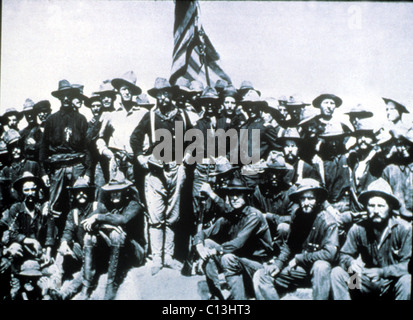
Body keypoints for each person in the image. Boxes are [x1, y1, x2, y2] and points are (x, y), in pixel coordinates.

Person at [253, 178, 339, 300]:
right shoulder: (297, 215)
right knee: (261, 274)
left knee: (321, 266)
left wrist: (300, 258)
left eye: (310, 198)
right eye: (303, 199)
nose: (306, 202)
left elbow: (329, 254)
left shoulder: (327, 221)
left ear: (318, 199)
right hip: (300, 269)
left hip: (321, 273)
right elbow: (289, 244)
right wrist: (278, 264)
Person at [331, 178, 411, 300]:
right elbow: (344, 255)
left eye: (381, 206)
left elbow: (408, 265)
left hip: (392, 284)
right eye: (371, 206)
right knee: (338, 273)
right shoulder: (359, 228)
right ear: (366, 207)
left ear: (389, 207)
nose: (376, 210)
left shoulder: (403, 229)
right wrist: (351, 263)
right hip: (366, 283)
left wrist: (382, 272)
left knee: (407, 281)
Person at [195, 177, 273, 300]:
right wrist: (199, 244)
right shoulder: (232, 215)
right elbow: (204, 233)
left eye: (238, 194)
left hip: (258, 265)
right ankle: (216, 294)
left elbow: (238, 243)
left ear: (246, 196)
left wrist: (217, 250)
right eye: (231, 194)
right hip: (238, 261)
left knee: (227, 258)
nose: (234, 198)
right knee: (208, 243)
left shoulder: (254, 215)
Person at [39, 79, 91, 253]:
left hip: (77, 165)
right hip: (58, 167)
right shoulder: (52, 120)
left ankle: (81, 243)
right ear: (60, 98)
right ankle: (49, 247)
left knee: (80, 201)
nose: (67, 98)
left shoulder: (81, 119)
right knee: (53, 205)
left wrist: (88, 171)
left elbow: (87, 147)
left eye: (69, 95)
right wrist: (44, 172)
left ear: (73, 96)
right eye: (63, 95)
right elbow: (43, 147)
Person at [79, 172, 146, 300]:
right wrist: (105, 224)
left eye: (118, 191)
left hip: (135, 252)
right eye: (112, 191)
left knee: (116, 234)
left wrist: (99, 218)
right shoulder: (107, 205)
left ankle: (111, 286)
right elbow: (87, 221)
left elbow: (123, 220)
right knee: (89, 236)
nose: (114, 194)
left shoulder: (134, 205)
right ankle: (86, 286)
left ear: (125, 191)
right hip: (114, 251)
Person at [49, 177, 97, 300]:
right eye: (77, 191)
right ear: (74, 195)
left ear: (89, 192)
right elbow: (68, 231)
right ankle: (56, 285)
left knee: (86, 269)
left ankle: (65, 294)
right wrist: (64, 243)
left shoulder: (97, 207)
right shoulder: (73, 213)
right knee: (61, 250)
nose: (81, 194)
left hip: (98, 254)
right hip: (82, 250)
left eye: (84, 191)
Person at [6, 172, 51, 299]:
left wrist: (48, 251)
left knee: (53, 275)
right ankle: (16, 280)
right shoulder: (16, 208)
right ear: (21, 191)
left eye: (33, 189)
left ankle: (40, 287)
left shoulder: (41, 209)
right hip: (22, 252)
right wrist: (31, 241)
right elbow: (12, 232)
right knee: (14, 248)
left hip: (37, 253)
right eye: (26, 190)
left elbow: (49, 233)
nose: (30, 193)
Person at [96, 71, 146, 184]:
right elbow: (100, 138)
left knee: (138, 197)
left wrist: (142, 156)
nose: (127, 92)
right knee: (116, 197)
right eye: (124, 89)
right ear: (118, 91)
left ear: (133, 92)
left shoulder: (143, 114)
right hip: (117, 164)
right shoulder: (111, 115)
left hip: (137, 164)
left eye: (130, 89)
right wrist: (105, 150)